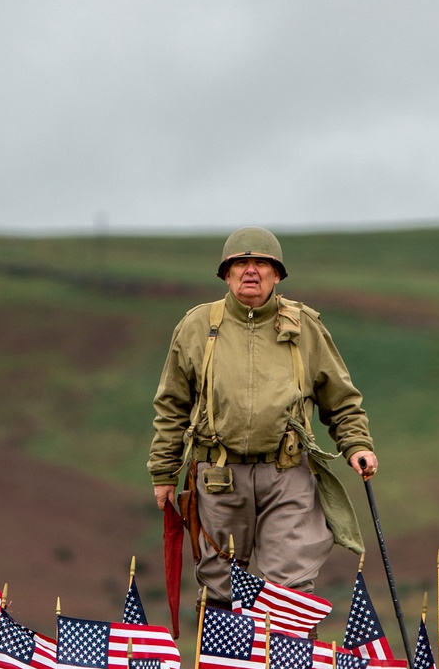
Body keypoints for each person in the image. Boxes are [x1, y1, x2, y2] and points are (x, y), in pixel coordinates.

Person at [149, 227, 378, 606]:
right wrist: (163, 473)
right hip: (218, 476)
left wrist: (356, 445)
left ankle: (288, 666)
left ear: (277, 274)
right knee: (220, 588)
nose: (250, 271)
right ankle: (225, 666)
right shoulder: (197, 326)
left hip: (287, 474)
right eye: (240, 263)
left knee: (291, 589)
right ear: (226, 273)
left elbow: (340, 399)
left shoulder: (306, 327)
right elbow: (172, 404)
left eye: (261, 263)